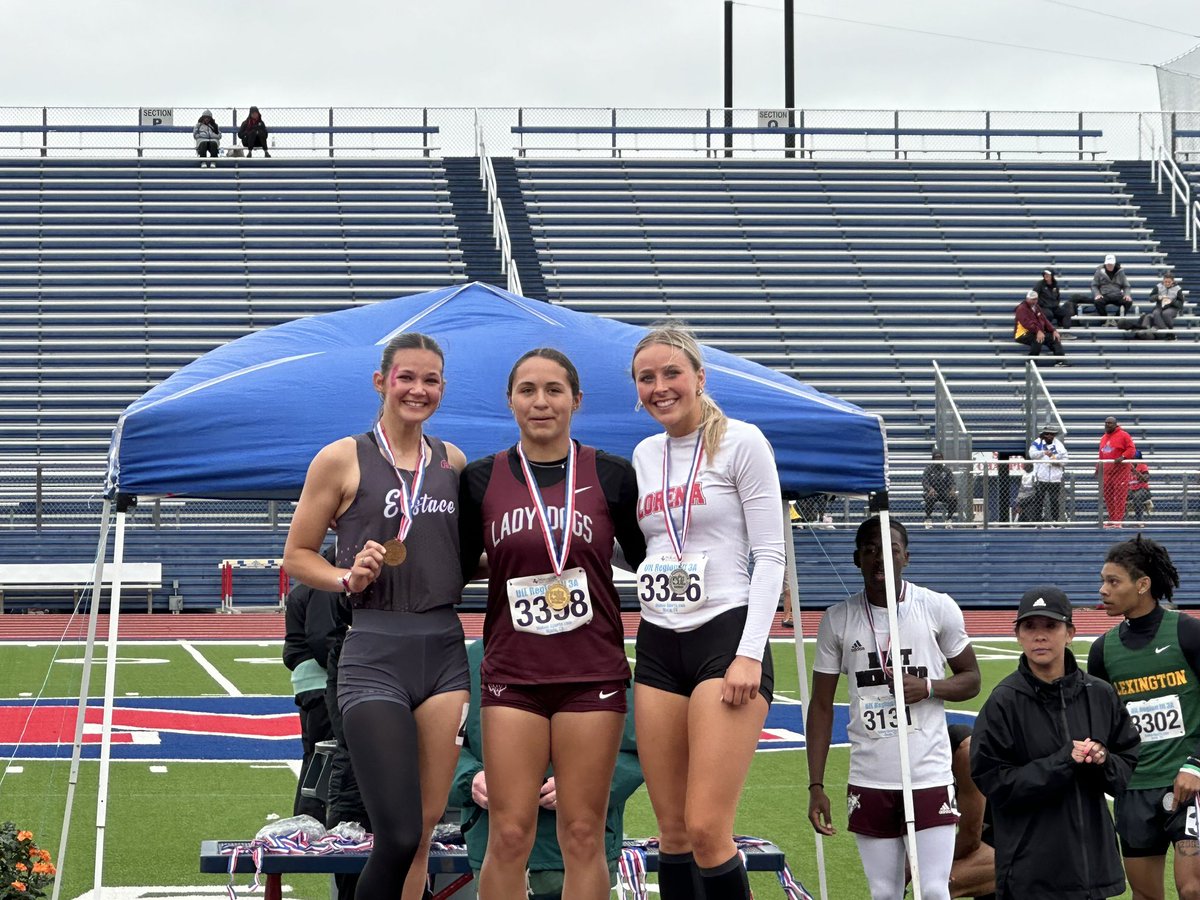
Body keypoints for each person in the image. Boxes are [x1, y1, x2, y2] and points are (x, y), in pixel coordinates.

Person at [282, 332, 470, 900]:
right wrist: (346, 577)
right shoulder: (342, 457)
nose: (418, 389)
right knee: (395, 831)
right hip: (372, 650)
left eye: (430, 379)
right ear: (381, 382)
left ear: (442, 387)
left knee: (426, 834)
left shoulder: (452, 461)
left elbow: (459, 556)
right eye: (406, 377)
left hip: (442, 649)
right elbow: (297, 556)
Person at [458, 347, 647, 900]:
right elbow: (458, 565)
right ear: (511, 400)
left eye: (554, 390)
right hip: (513, 673)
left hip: (592, 674)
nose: (541, 402)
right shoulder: (480, 478)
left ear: (576, 400)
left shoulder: (612, 475)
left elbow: (650, 558)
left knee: (583, 832)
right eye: (527, 390)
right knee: (510, 832)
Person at [630, 324, 785, 900]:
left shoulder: (743, 442)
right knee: (670, 831)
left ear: (699, 377)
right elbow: (647, 546)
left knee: (707, 829)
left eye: (672, 373)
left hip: (725, 635)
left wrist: (748, 653)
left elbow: (770, 555)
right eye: (647, 378)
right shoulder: (645, 454)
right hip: (658, 640)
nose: (660, 386)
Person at [807, 516, 981, 900]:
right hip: (870, 775)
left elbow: (971, 678)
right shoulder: (837, 619)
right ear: (856, 558)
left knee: (933, 888)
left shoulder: (936, 607)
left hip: (928, 773)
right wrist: (816, 785)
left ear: (906, 557)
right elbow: (821, 706)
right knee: (884, 891)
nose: (879, 559)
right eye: (869, 550)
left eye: (890, 550)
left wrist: (930, 687)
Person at [971, 585, 1139, 900]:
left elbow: (1128, 765)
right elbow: (994, 783)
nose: (1040, 635)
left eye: (1051, 625)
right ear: (1018, 635)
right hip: (1031, 875)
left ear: (1070, 632)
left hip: (1091, 872)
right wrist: (1063, 761)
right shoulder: (1003, 702)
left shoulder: (1099, 694)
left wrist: (1103, 760)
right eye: (1030, 627)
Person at [449, 638, 644, 900]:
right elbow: (444, 746)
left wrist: (584, 785)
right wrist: (471, 779)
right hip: (493, 846)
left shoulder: (602, 654)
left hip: (580, 848)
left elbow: (634, 746)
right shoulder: (475, 658)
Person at [1088, 536, 1200, 900]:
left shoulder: (1187, 632)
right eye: (1103, 581)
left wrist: (1196, 765)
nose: (1103, 590)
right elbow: (1102, 724)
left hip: (1188, 783)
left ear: (1142, 584)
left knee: (1192, 889)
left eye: (1113, 581)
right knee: (1147, 896)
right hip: (1133, 791)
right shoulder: (1102, 650)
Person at [282, 544, 340, 821]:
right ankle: (313, 822)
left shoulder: (306, 587)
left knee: (316, 756)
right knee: (327, 755)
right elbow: (322, 639)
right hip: (322, 680)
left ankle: (307, 821)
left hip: (309, 681)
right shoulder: (324, 587)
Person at [946, 724, 995, 900]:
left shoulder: (965, 751)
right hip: (993, 837)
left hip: (1024, 844)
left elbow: (970, 839)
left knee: (938, 885)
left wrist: (934, 865)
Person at [1096, 416, 1137, 527]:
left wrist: (1123, 457)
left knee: (1119, 496)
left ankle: (1118, 520)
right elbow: (1101, 454)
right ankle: (1112, 518)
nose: (1107, 425)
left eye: (1110, 423)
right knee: (1108, 496)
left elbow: (1132, 449)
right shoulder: (1104, 437)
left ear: (1115, 424)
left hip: (1120, 471)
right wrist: (1097, 468)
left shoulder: (1124, 435)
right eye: (1106, 423)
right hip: (1107, 471)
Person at [1028, 425, 1068, 523]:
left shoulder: (1059, 445)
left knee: (1054, 500)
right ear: (1043, 434)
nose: (1049, 436)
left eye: (1051, 434)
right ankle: (1037, 521)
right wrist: (1043, 452)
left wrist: (1057, 462)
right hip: (1041, 477)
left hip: (1055, 478)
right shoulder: (1038, 443)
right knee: (1038, 500)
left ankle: (1055, 521)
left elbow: (1065, 459)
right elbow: (1031, 455)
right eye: (1047, 434)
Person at [1014, 290, 1067, 363]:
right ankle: (1031, 362)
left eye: (1036, 299)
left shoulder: (1036, 307)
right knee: (1037, 339)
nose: (1035, 301)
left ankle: (1061, 361)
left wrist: (1053, 330)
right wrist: (1038, 331)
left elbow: (1044, 320)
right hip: (1022, 333)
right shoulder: (1021, 309)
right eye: (1033, 299)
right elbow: (1027, 323)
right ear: (1027, 299)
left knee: (1054, 338)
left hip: (1036, 331)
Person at [1092, 253, 1133, 324]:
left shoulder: (1120, 272)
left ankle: (1117, 320)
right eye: (1108, 264)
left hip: (1117, 294)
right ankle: (1104, 321)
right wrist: (1097, 294)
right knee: (1098, 302)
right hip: (1104, 294)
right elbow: (1094, 285)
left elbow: (1126, 286)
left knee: (1128, 302)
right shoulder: (1099, 272)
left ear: (1114, 264)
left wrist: (1127, 294)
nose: (1109, 266)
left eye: (1111, 264)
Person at [923, 450, 958, 527]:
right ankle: (928, 519)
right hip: (932, 492)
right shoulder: (928, 470)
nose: (938, 459)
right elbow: (925, 482)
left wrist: (952, 489)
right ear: (933, 459)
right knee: (930, 497)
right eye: (936, 458)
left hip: (944, 492)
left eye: (940, 458)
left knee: (953, 498)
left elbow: (952, 482)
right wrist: (930, 489)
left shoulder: (947, 470)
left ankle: (948, 520)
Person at [1034, 268, 1076, 333]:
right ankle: (1048, 332)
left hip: (1054, 307)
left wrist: (1056, 304)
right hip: (1044, 307)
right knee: (1049, 314)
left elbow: (1058, 297)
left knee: (1066, 312)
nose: (1046, 275)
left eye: (1048, 274)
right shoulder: (1040, 284)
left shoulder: (1055, 285)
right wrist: (1042, 304)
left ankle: (1066, 332)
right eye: (1045, 274)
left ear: (1052, 275)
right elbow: (1035, 296)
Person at [1127, 453, 1152, 523]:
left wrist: (1135, 471)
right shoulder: (1126, 466)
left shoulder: (1142, 466)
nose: (1132, 460)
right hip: (1130, 490)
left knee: (1137, 497)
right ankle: (1119, 521)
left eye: (1133, 459)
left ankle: (1139, 521)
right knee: (1119, 496)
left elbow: (1145, 479)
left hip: (1143, 490)